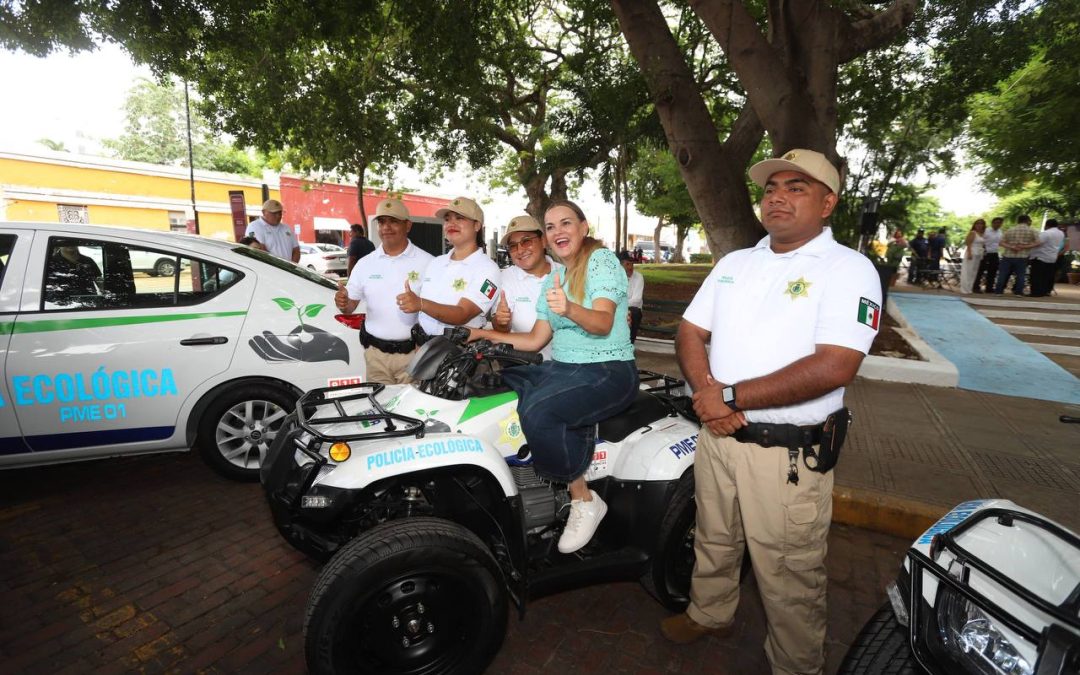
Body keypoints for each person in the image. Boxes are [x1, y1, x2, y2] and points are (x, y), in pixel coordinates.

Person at [661, 149, 880, 675]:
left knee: (788, 570)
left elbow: (835, 366)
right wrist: (709, 393)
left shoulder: (850, 269)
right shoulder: (737, 262)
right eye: (770, 187)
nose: (777, 196)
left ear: (828, 203)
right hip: (719, 438)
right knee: (713, 536)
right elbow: (691, 331)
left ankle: (796, 664)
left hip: (785, 454)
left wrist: (730, 397)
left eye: (796, 187)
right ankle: (710, 613)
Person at [469, 200, 637, 554]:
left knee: (541, 411)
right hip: (565, 366)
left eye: (566, 223)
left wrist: (571, 308)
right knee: (508, 384)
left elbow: (603, 322)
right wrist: (483, 336)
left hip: (608, 369)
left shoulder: (601, 261)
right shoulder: (556, 277)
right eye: (550, 226)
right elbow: (534, 340)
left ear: (583, 226)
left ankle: (583, 498)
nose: (558, 231)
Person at [335, 199, 433, 384]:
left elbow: (437, 309)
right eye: (382, 222)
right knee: (379, 410)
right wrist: (343, 302)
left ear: (408, 225)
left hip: (414, 355)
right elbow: (349, 307)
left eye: (393, 221)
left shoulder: (428, 262)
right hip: (375, 357)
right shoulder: (365, 264)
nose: (386, 227)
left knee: (409, 412)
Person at [402, 197, 501, 342]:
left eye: (459, 218)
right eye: (447, 219)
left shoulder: (488, 269)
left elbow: (462, 314)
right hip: (425, 348)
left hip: (461, 354)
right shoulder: (435, 263)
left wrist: (420, 304)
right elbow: (423, 318)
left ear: (477, 226)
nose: (451, 223)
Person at [491, 214, 562, 361]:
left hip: (569, 364)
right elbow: (501, 328)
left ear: (543, 241)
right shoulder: (506, 277)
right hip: (524, 364)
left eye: (526, 241)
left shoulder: (567, 275)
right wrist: (501, 321)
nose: (520, 250)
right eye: (513, 246)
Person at [994, 215, 1039, 295]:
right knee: (1021, 275)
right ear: (1027, 221)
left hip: (1008, 255)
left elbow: (1001, 242)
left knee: (1003, 274)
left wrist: (1011, 247)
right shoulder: (1032, 230)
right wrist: (1024, 246)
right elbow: (1038, 242)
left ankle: (999, 291)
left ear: (1018, 221)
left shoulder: (1010, 230)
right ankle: (1018, 292)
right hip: (1023, 256)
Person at [1029, 219, 1066, 297]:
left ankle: (1036, 292)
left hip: (1040, 257)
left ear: (1047, 225)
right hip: (1052, 257)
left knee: (1036, 275)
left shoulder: (1046, 233)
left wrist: (1024, 246)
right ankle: (1043, 291)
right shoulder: (1061, 233)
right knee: (1046, 276)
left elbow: (1037, 243)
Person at [618, 250, 644, 343]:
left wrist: (620, 306)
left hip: (632, 309)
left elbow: (636, 300)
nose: (631, 267)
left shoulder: (639, 277)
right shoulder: (615, 277)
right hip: (618, 308)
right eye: (627, 264)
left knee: (634, 313)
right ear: (620, 265)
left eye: (632, 264)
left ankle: (630, 344)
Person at [975, 216, 1004, 292]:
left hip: (994, 253)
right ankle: (976, 287)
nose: (998, 224)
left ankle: (989, 288)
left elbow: (1000, 243)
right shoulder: (986, 231)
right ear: (992, 223)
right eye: (996, 222)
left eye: (1000, 223)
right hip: (985, 253)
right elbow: (981, 240)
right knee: (980, 270)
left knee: (993, 271)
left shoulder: (1000, 232)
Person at [959, 219, 987, 294]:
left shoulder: (982, 234)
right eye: (977, 224)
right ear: (975, 225)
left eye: (981, 224)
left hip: (979, 253)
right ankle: (964, 289)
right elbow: (968, 243)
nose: (979, 226)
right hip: (972, 252)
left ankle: (969, 288)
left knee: (974, 272)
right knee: (968, 271)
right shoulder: (973, 233)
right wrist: (969, 253)